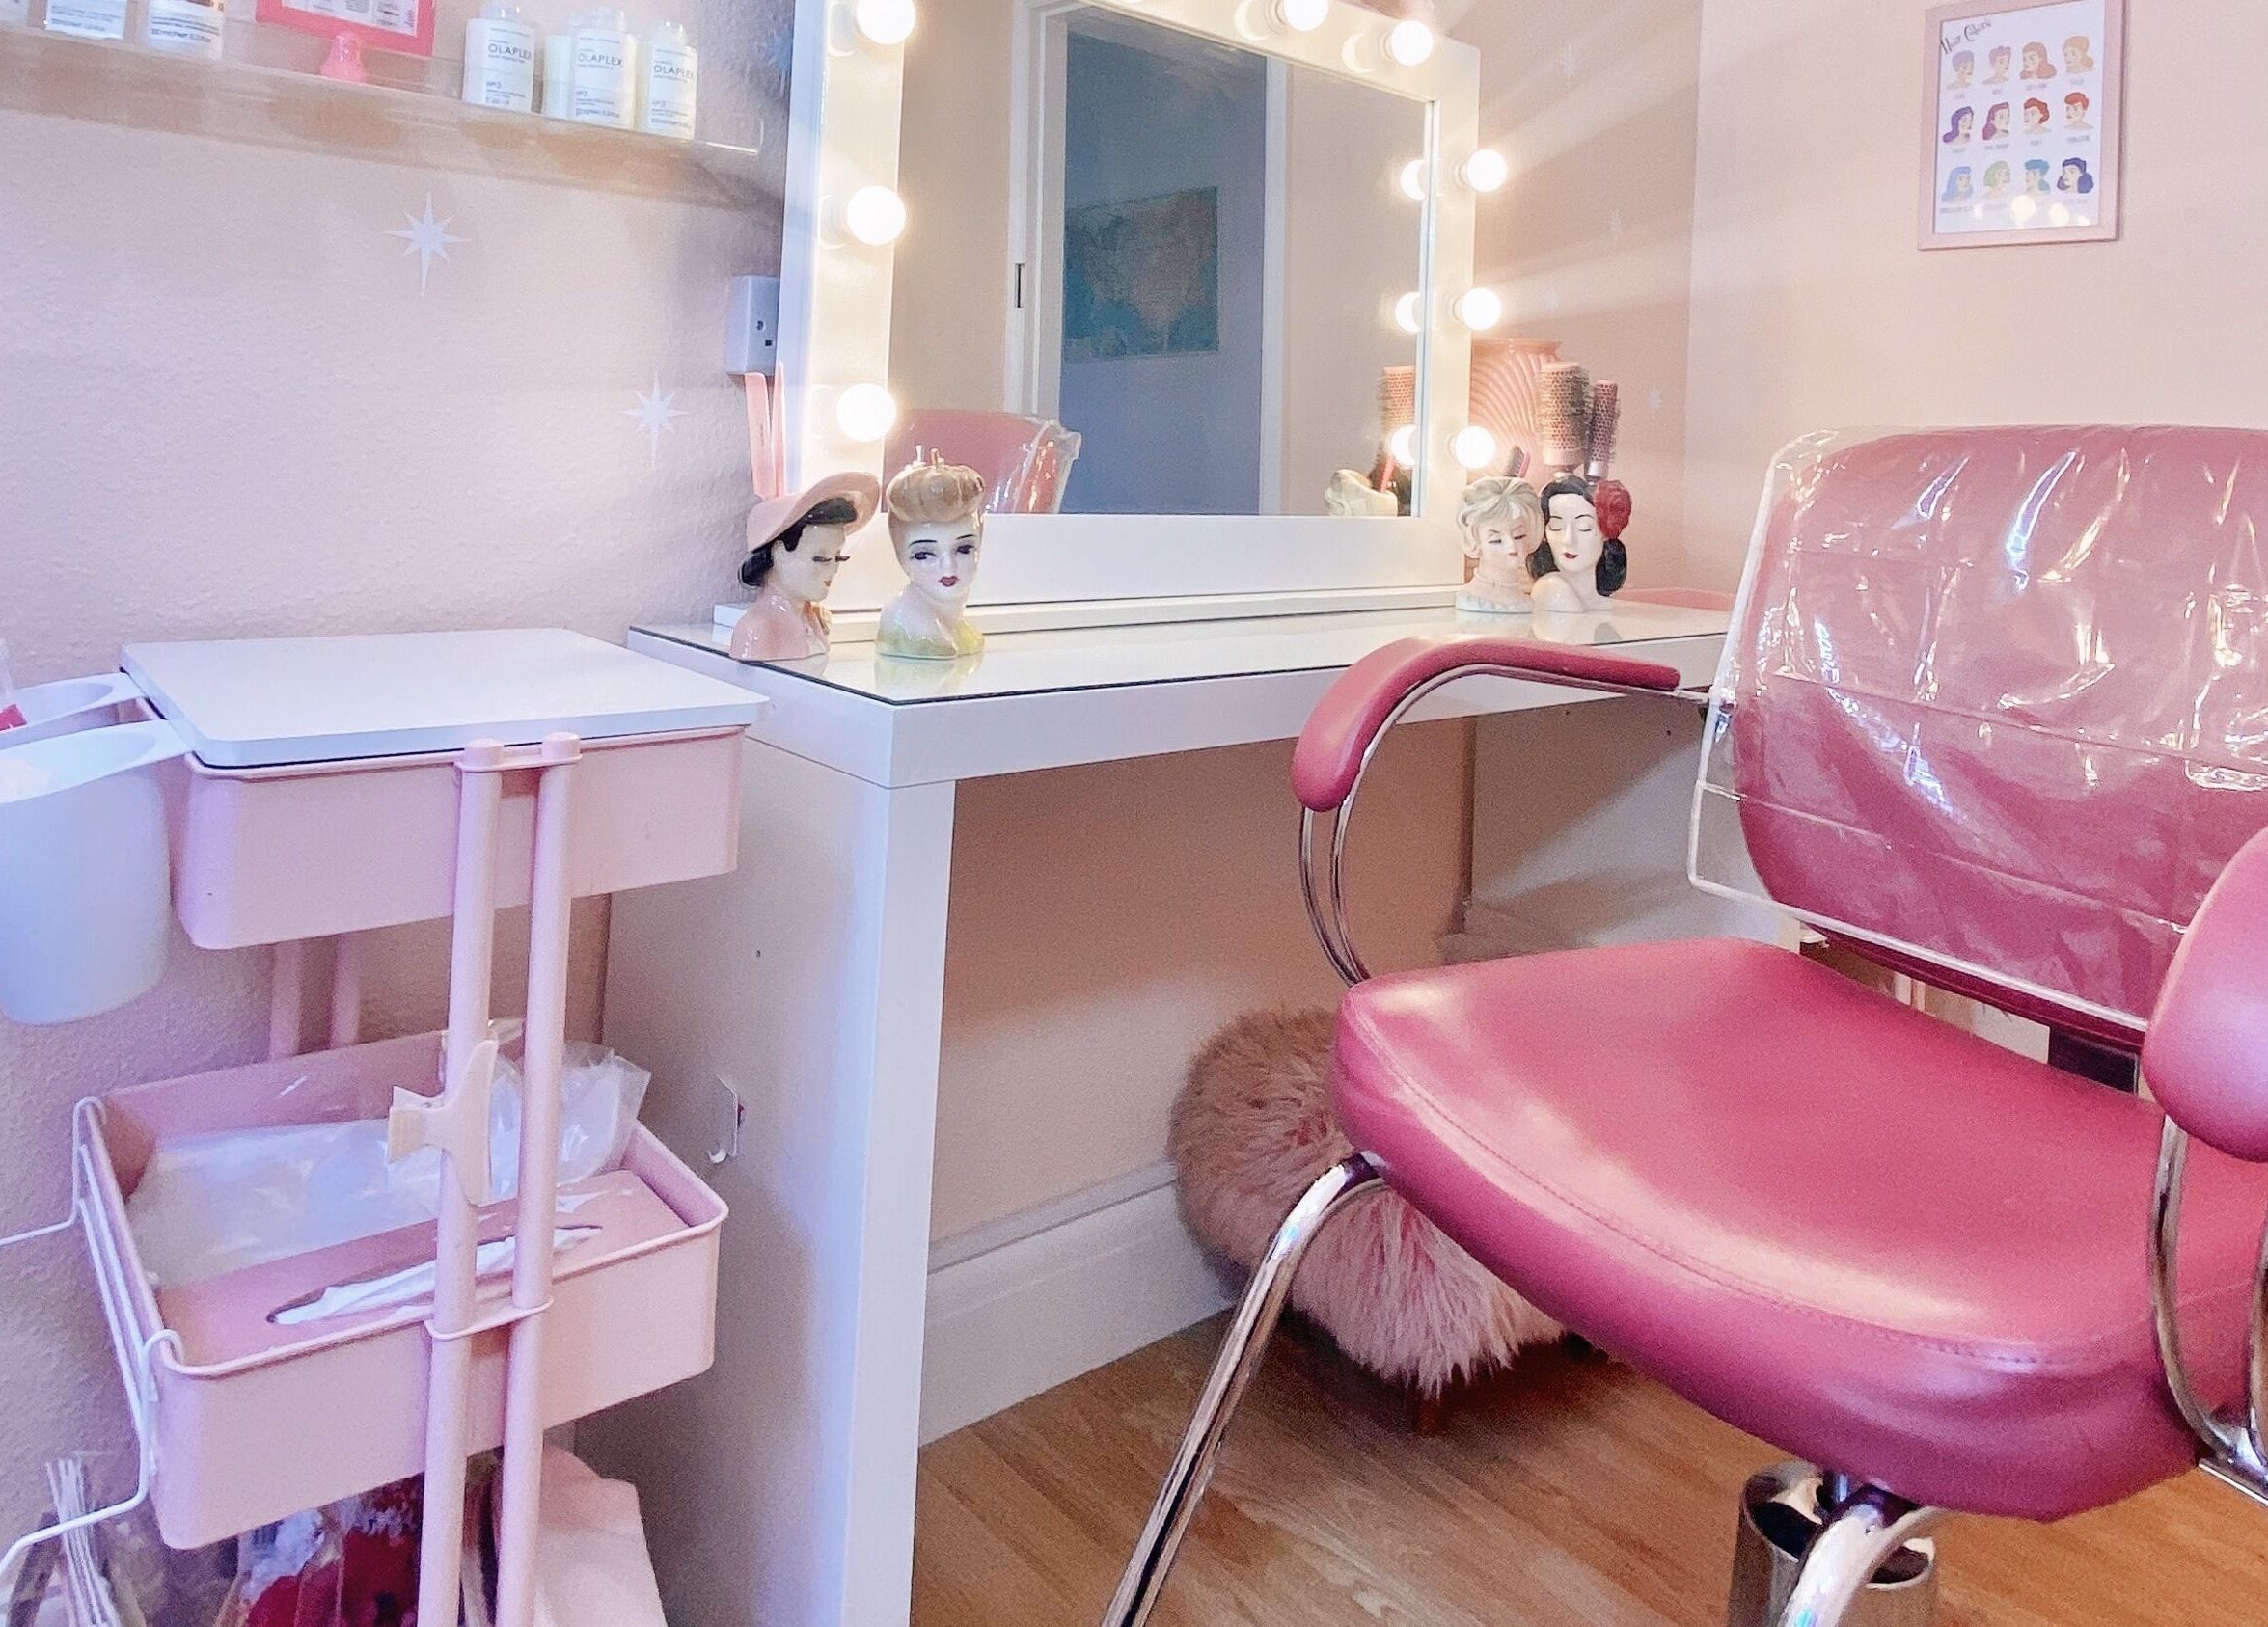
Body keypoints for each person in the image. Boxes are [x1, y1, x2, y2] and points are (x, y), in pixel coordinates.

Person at [728, 473, 881, 664]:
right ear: (778, 554)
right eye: (821, 558)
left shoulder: (815, 619)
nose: (833, 569)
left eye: (838, 557)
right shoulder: (757, 629)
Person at [878, 453, 989, 661]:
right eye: (924, 555)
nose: (948, 567)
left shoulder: (957, 627)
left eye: (964, 549)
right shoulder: (910, 625)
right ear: (901, 555)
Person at [1527, 476, 1628, 613]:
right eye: (1556, 526)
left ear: (1606, 532)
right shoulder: (1552, 589)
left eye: (1584, 527)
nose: (1568, 539)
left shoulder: (1602, 601)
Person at [1454, 476, 1544, 614]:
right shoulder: (1473, 600)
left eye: (1518, 536)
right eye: (1496, 540)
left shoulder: (1527, 602)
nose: (1511, 547)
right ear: (1474, 541)